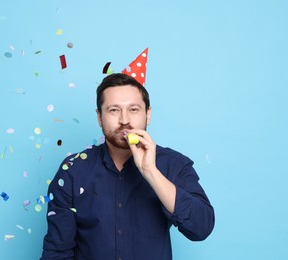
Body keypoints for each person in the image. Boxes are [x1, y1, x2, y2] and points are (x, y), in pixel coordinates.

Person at [41, 73, 215, 260]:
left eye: (133, 109)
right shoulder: (73, 171)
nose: (124, 120)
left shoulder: (174, 164)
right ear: (99, 117)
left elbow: (201, 227)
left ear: (147, 114)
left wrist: (150, 171)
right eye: (114, 110)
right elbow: (57, 252)